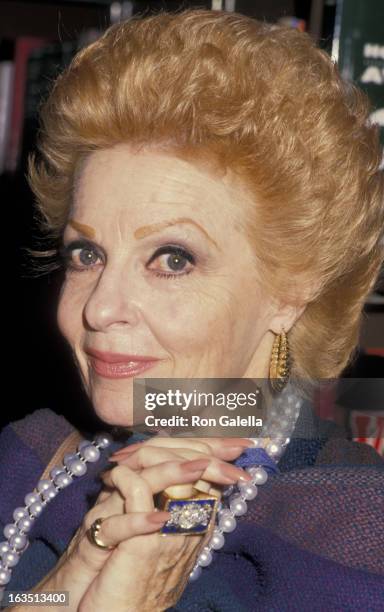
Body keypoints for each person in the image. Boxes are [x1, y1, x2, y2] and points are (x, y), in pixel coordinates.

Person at [1, 8, 383, 611]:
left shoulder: (356, 536)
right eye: (87, 253)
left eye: (172, 259)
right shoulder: (25, 465)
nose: (101, 308)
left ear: (291, 290)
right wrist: (61, 587)